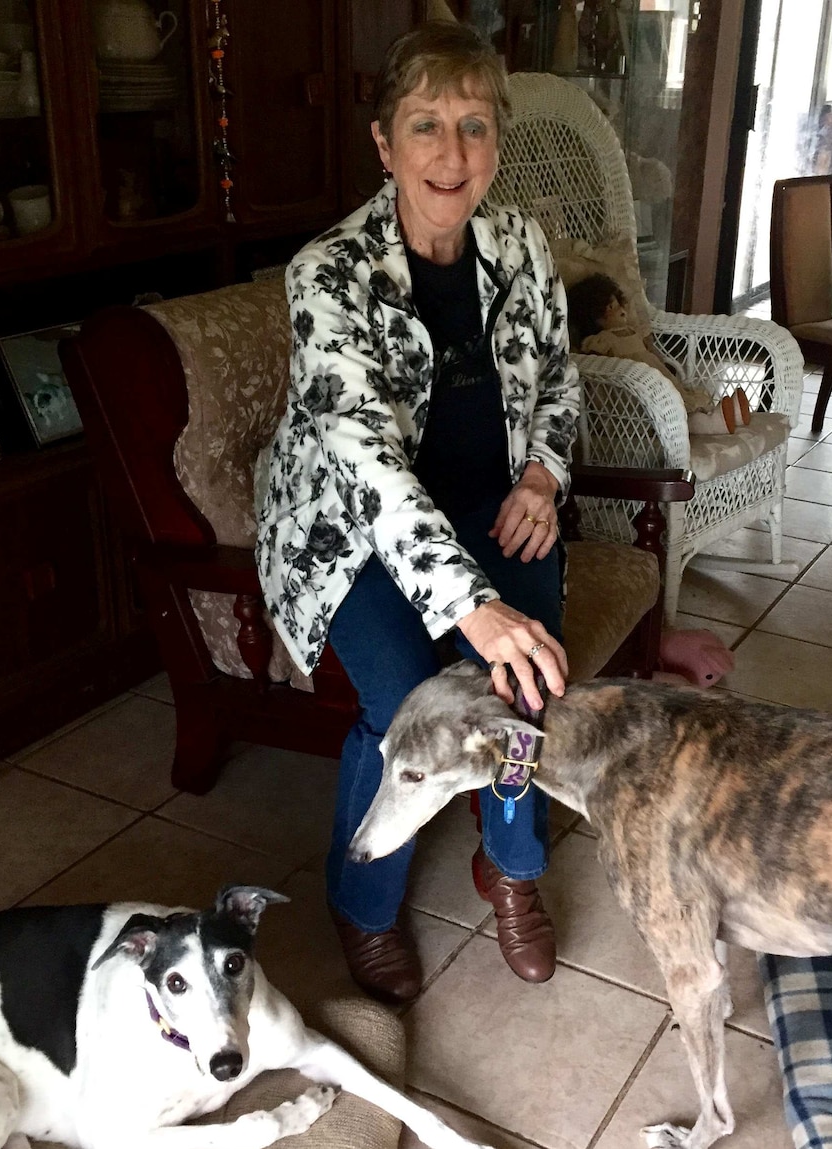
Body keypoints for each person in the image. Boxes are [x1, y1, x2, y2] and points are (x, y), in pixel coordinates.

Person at [255, 20, 579, 1005]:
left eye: (473, 126)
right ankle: (363, 901)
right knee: (401, 705)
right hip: (347, 527)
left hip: (492, 505)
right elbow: (362, 460)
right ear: (384, 142)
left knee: (523, 690)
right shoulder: (327, 273)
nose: (452, 152)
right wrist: (468, 609)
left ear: (495, 141)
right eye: (426, 125)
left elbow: (559, 381)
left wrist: (543, 480)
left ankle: (511, 870)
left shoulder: (518, 242)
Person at [566, 272, 752, 434]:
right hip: (633, 385)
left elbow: (649, 348)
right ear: (592, 320)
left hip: (655, 373)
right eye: (608, 310)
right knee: (668, 411)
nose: (618, 311)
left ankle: (728, 414)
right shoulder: (603, 339)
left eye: (616, 304)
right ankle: (711, 424)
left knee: (678, 396)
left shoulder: (633, 330)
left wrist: (660, 358)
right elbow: (590, 358)